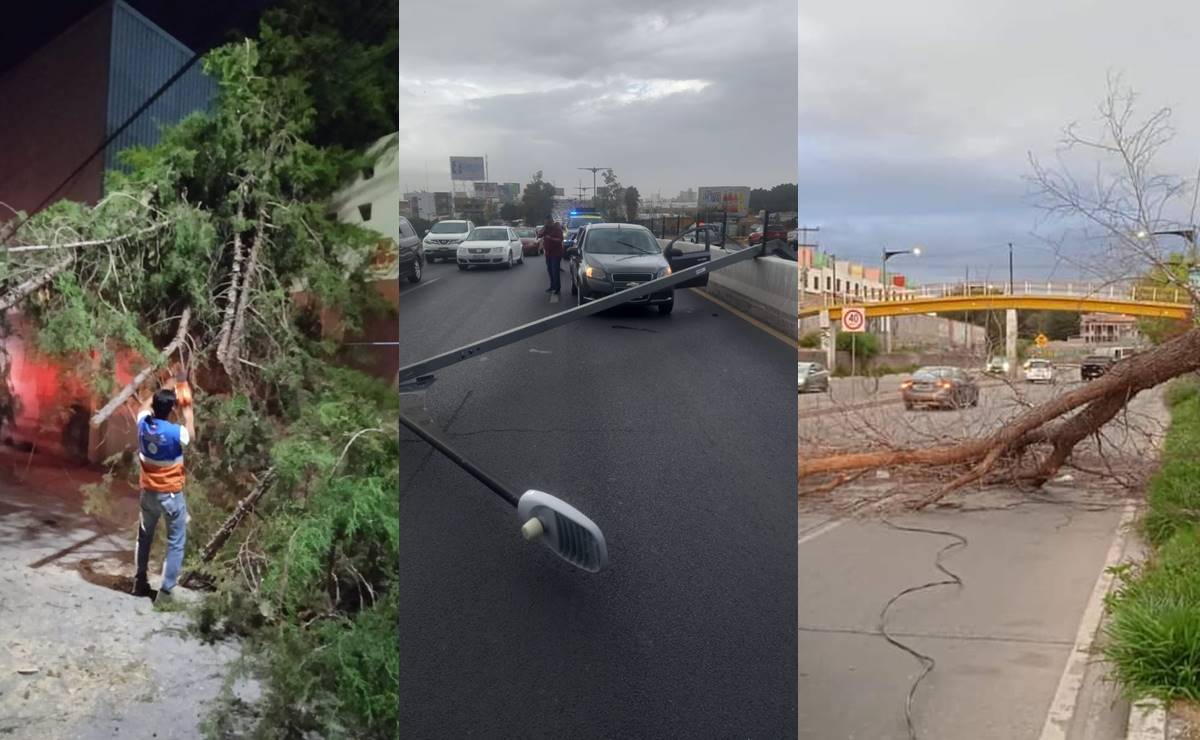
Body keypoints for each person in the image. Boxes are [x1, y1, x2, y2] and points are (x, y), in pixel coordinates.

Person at [131, 379, 195, 601]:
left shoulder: (143, 425)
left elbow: (143, 408)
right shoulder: (176, 432)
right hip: (170, 496)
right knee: (175, 542)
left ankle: (139, 582)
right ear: (172, 410)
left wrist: (165, 386)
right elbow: (191, 431)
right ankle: (165, 593)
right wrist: (186, 404)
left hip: (148, 494)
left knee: (144, 537)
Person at [541, 214, 564, 295]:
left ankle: (557, 288)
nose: (546, 223)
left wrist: (551, 238)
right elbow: (539, 235)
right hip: (548, 253)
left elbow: (560, 239)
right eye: (545, 222)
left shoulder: (557, 228)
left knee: (555, 271)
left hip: (556, 253)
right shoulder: (546, 228)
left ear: (551, 221)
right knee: (550, 270)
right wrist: (544, 228)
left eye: (547, 222)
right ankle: (552, 286)